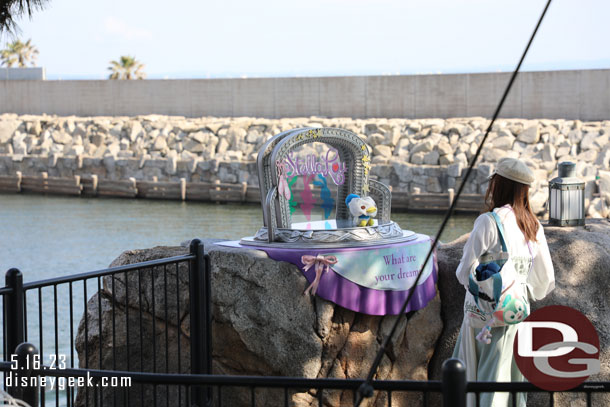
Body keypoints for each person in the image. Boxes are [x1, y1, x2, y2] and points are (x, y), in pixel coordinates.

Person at [452, 157, 555, 407]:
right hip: (516, 316)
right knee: (508, 388)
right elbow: (545, 282)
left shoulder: (488, 222)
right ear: (524, 190)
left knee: (476, 385)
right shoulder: (533, 225)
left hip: (483, 318)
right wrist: (518, 288)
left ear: (498, 185)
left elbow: (463, 272)